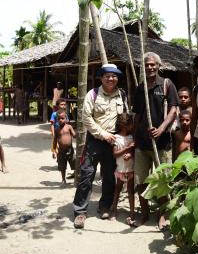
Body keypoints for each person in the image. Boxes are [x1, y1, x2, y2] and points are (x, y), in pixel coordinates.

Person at [73, 63, 127, 229]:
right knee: (87, 175)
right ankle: (80, 212)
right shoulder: (93, 94)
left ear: (117, 78)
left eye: (114, 76)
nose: (111, 79)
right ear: (101, 77)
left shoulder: (122, 95)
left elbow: (125, 117)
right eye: (107, 76)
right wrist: (103, 134)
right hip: (95, 140)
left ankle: (104, 206)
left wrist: (123, 138)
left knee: (110, 176)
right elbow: (86, 118)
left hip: (113, 141)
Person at [133, 52, 179, 229]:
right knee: (141, 180)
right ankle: (144, 214)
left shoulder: (167, 84)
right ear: (143, 68)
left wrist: (161, 128)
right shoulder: (140, 88)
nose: (150, 67)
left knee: (162, 181)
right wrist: (134, 138)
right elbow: (137, 115)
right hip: (142, 144)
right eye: (147, 65)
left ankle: (162, 215)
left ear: (159, 66)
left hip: (162, 143)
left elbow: (174, 109)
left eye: (153, 65)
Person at [110, 113, 136, 227]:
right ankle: (114, 211)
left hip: (131, 170)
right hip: (120, 170)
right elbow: (115, 154)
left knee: (130, 191)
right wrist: (127, 148)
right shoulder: (116, 138)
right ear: (125, 125)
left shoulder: (132, 137)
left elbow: (135, 152)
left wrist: (130, 154)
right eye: (131, 124)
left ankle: (131, 212)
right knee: (117, 190)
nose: (132, 126)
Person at [53, 110, 75, 186]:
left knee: (74, 163)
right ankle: (63, 180)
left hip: (70, 150)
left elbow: (74, 135)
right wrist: (53, 151)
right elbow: (55, 141)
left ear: (66, 118)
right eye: (58, 119)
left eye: (62, 118)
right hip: (61, 151)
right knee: (62, 166)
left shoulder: (69, 127)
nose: (60, 120)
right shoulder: (57, 130)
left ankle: (76, 177)